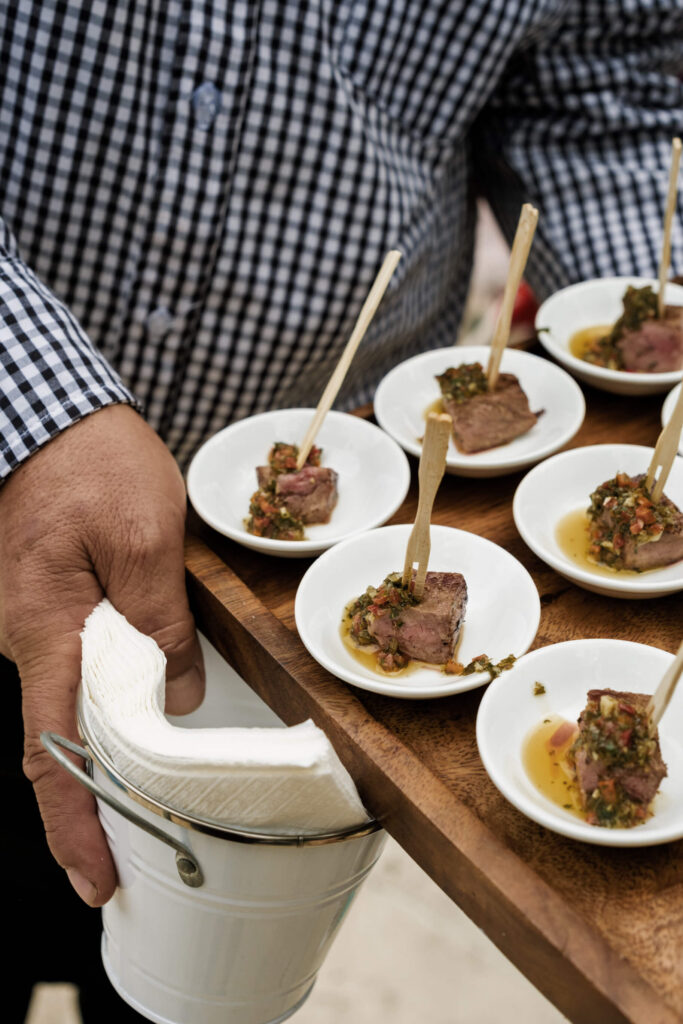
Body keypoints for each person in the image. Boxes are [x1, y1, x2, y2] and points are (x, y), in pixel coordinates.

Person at [2, 1, 682, 1020]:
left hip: (289, 612)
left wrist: (660, 327)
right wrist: (28, 395)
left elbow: (604, 89)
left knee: (196, 988)